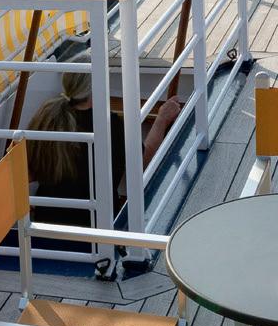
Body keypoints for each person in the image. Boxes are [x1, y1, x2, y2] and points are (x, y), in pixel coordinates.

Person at [26, 70, 184, 217]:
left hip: (46, 221)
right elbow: (141, 163)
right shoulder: (110, 124)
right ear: (97, 88)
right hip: (97, 224)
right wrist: (162, 119)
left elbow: (28, 172)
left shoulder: (47, 116)